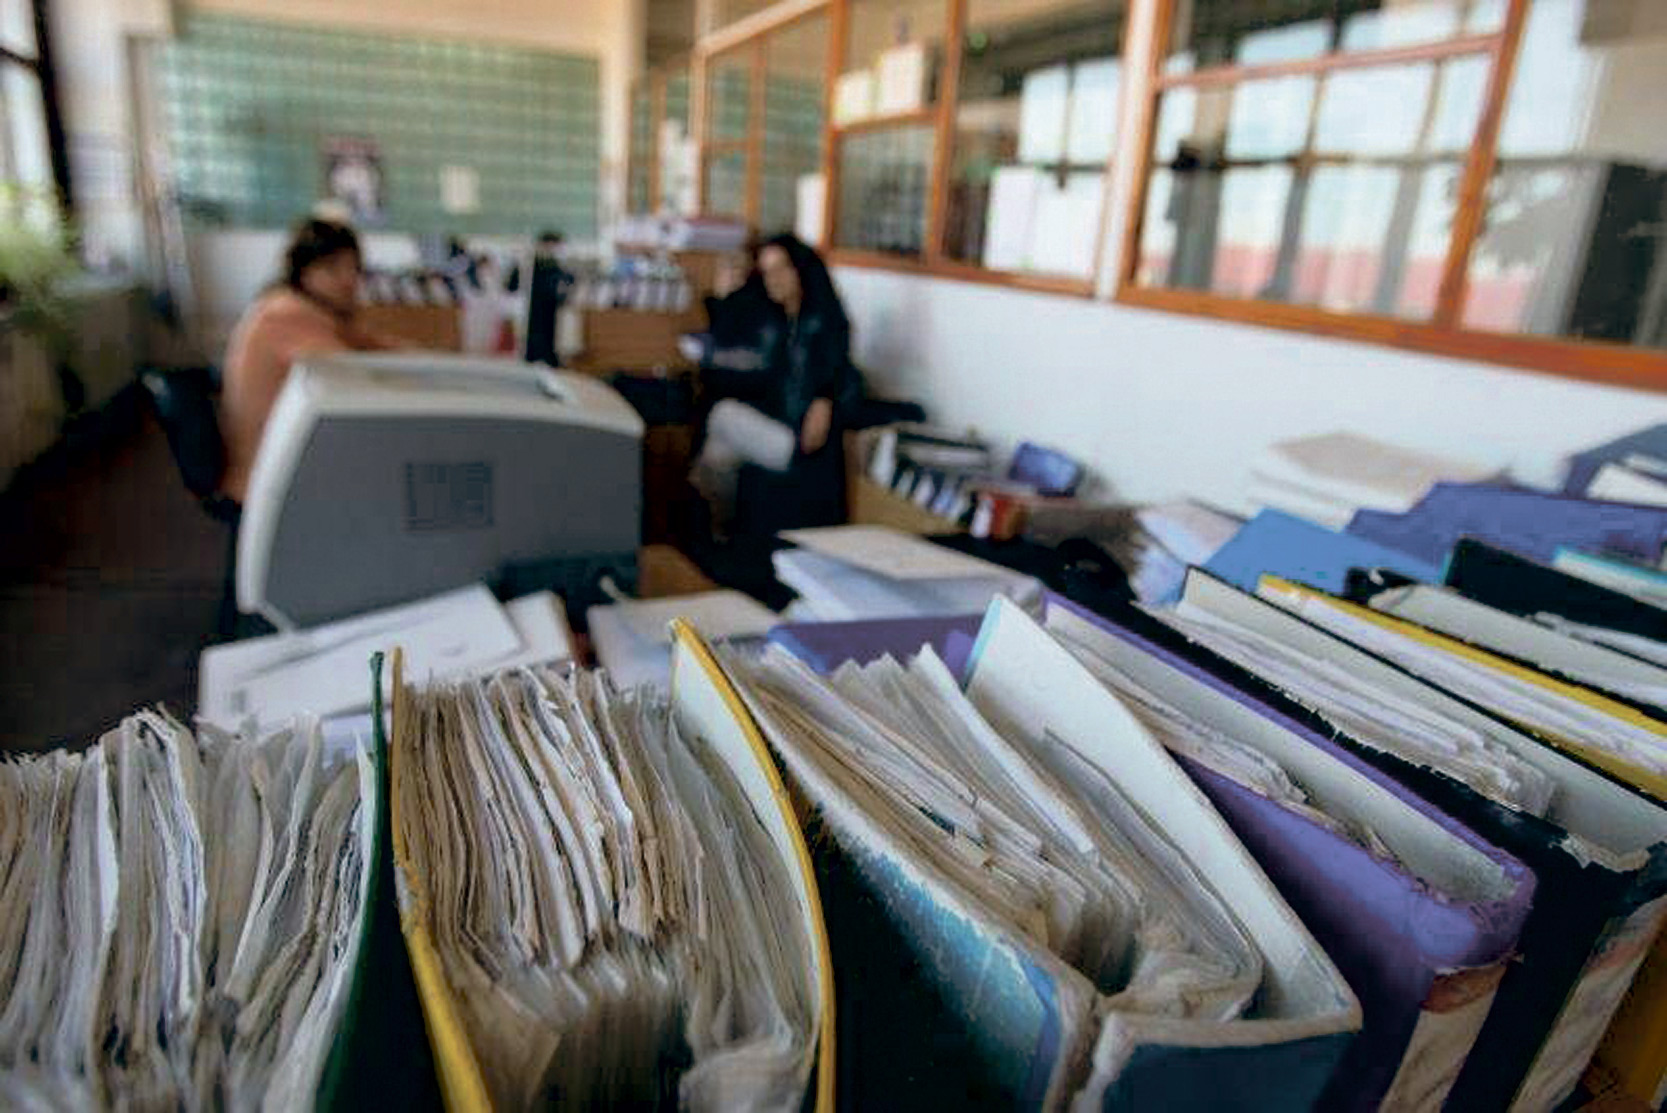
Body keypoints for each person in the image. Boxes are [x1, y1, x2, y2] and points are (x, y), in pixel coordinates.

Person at [219, 218, 402, 502]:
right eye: (332, 268)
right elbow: (356, 378)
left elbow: (372, 344)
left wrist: (435, 361)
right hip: (267, 487)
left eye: (354, 267)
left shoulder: (307, 309)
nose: (349, 279)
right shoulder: (286, 315)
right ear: (303, 271)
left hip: (284, 468)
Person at [690, 232, 861, 534]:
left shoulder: (823, 325)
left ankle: (713, 532)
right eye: (767, 271)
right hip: (779, 429)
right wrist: (725, 299)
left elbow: (837, 376)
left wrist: (824, 399)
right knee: (718, 451)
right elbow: (732, 347)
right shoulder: (780, 320)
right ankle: (718, 536)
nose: (774, 279)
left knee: (722, 416)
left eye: (781, 269)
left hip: (800, 447)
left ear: (801, 272)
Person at [524, 229, 575, 366]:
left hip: (554, 320)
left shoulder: (563, 272)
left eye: (555, 246)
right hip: (533, 319)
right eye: (548, 245)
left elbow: (567, 294)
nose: (551, 250)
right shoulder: (529, 270)